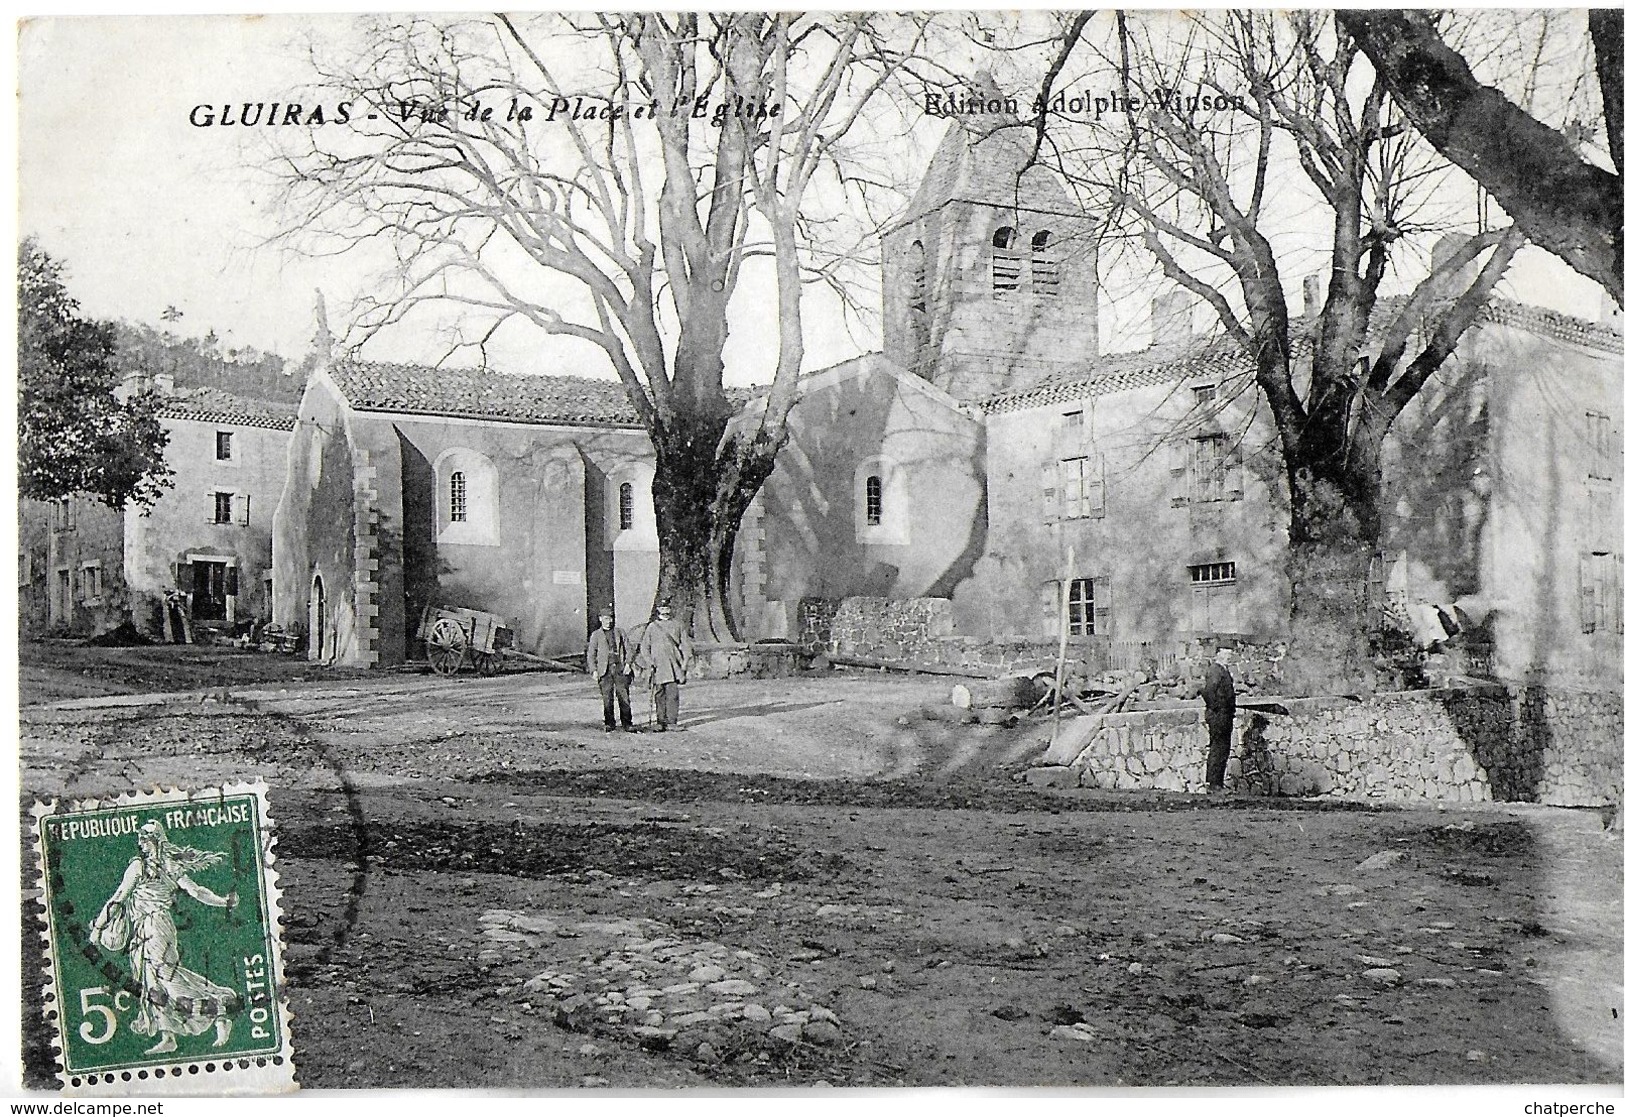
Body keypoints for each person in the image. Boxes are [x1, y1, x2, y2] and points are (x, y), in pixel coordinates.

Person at [88, 820, 239, 1055]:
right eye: (140, 839)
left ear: (156, 840)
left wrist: (98, 929)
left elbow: (118, 899)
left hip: (154, 926)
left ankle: (218, 1009)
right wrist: (223, 902)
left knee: (166, 977)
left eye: (145, 839)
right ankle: (168, 1035)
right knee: (152, 981)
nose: (141, 843)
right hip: (149, 927)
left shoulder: (140, 867)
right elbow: (196, 891)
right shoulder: (165, 865)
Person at [636, 601, 691, 732]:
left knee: (672, 694)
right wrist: (649, 662)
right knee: (659, 694)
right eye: (662, 608)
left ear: (670, 609)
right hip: (658, 667)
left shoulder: (677, 625)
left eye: (667, 608)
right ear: (658, 610)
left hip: (673, 666)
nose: (665, 611)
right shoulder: (652, 627)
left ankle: (672, 722)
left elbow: (686, 646)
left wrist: (684, 664)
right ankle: (660, 721)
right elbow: (644, 647)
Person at [586, 610, 635, 732]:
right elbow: (591, 655)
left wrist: (628, 664)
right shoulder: (596, 635)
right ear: (600, 619)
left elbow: (630, 650)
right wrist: (593, 670)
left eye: (610, 618)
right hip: (604, 670)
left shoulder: (620, 632)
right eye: (606, 618)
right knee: (607, 698)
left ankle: (627, 723)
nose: (609, 621)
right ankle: (609, 723)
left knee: (624, 697)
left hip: (620, 669)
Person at [1200, 643, 1238, 794]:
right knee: (1218, 749)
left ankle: (1218, 783)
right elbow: (1208, 691)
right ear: (1218, 655)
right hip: (1219, 715)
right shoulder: (1216, 670)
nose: (1228, 657)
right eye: (1225, 654)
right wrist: (1217, 708)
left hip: (1224, 714)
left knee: (1223, 749)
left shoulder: (1222, 670)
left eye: (1229, 654)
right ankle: (1214, 784)